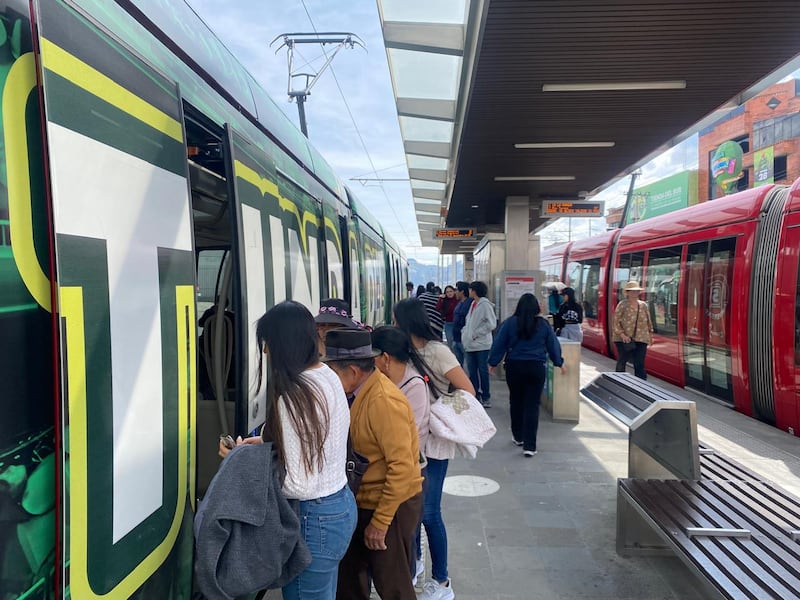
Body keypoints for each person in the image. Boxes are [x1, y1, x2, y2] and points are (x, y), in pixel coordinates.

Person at [218, 301, 357, 600]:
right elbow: (319, 437)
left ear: (282, 344)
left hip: (313, 522)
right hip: (339, 506)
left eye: (267, 344)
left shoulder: (294, 396)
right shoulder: (326, 375)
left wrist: (240, 463)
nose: (265, 352)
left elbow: (299, 484)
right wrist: (268, 442)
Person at [323, 328, 423, 600]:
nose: (328, 379)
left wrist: (380, 522)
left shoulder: (384, 401)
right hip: (362, 500)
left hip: (390, 504)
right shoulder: (355, 393)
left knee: (393, 586)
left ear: (353, 372)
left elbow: (403, 468)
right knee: (349, 581)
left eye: (332, 372)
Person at [393, 298, 474, 600]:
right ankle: (413, 564)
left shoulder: (437, 351)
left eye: (396, 320)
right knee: (412, 508)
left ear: (406, 322)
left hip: (435, 443)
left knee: (429, 512)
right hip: (412, 441)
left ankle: (442, 580)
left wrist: (436, 412)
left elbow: (467, 389)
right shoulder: (406, 352)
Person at [370, 325, 430, 587]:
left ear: (384, 358)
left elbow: (402, 448)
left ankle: (411, 570)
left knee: (398, 560)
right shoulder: (387, 382)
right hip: (393, 477)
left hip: (406, 478)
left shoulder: (412, 385)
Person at [488, 294, 564, 457]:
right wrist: (559, 362)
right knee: (532, 405)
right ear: (536, 308)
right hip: (536, 368)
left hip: (514, 367)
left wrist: (493, 363)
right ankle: (530, 446)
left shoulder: (509, 323)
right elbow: (553, 346)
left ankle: (518, 436)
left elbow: (499, 344)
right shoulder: (543, 325)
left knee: (515, 401)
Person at [462, 281, 497, 408]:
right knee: (472, 371)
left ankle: (486, 396)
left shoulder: (485, 305)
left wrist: (476, 333)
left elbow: (491, 324)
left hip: (482, 344)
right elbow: (469, 322)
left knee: (483, 371)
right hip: (470, 344)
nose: (469, 291)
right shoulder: (473, 304)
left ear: (475, 291)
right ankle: (475, 394)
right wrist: (466, 333)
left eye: (471, 289)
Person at [613, 281, 654, 380]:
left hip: (641, 338)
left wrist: (650, 335)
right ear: (627, 292)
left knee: (639, 362)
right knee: (622, 361)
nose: (634, 293)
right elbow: (616, 321)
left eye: (636, 291)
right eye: (631, 291)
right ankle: (619, 380)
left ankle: (641, 384)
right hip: (624, 339)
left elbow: (648, 321)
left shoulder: (643, 305)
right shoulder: (622, 304)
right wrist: (622, 335)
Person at [450, 281, 471, 365]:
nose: (455, 292)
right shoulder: (459, 303)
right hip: (456, 338)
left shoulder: (470, 303)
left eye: (456, 290)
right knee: (458, 364)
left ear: (462, 291)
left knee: (469, 365)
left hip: (464, 339)